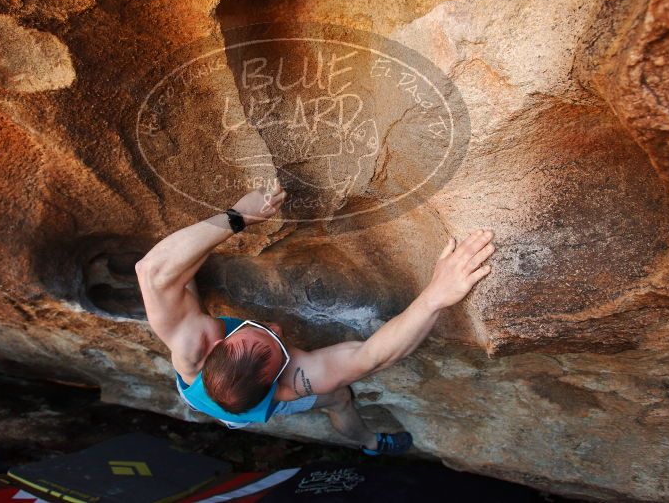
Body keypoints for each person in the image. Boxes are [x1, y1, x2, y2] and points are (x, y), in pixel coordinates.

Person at [135, 179, 495, 456]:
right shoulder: (295, 382)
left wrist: (240, 217)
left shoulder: (193, 342)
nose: (276, 327)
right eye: (277, 341)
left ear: (219, 344)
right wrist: (436, 295)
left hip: (208, 388)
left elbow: (150, 270)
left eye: (261, 331)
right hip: (236, 410)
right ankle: (370, 442)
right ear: (280, 378)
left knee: (178, 282)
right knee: (338, 398)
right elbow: (375, 356)